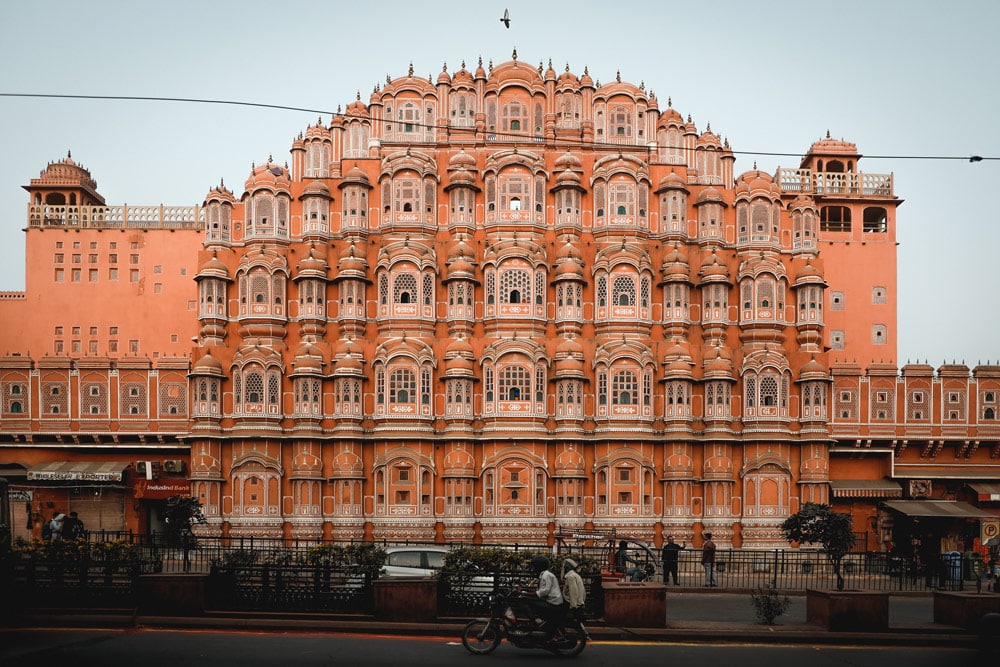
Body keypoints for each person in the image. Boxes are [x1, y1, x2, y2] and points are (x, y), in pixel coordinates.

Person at [523, 555, 564, 637]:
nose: (533, 569)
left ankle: (534, 621)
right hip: (551, 602)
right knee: (528, 599)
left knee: (524, 600)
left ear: (539, 566)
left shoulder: (546, 575)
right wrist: (525, 589)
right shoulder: (544, 574)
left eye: (534, 567)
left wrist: (524, 594)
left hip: (553, 604)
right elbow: (540, 591)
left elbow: (543, 592)